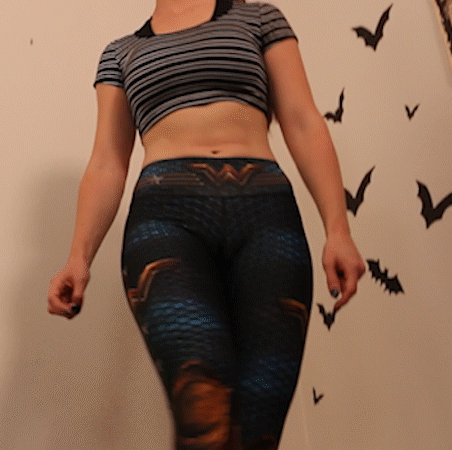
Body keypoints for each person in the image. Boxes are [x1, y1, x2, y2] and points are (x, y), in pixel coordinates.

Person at [47, 0, 366, 449]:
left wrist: (338, 229)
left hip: (266, 217)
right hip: (166, 222)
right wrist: (78, 257)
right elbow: (107, 162)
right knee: (205, 417)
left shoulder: (259, 18)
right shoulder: (121, 53)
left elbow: (302, 121)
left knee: (257, 431)